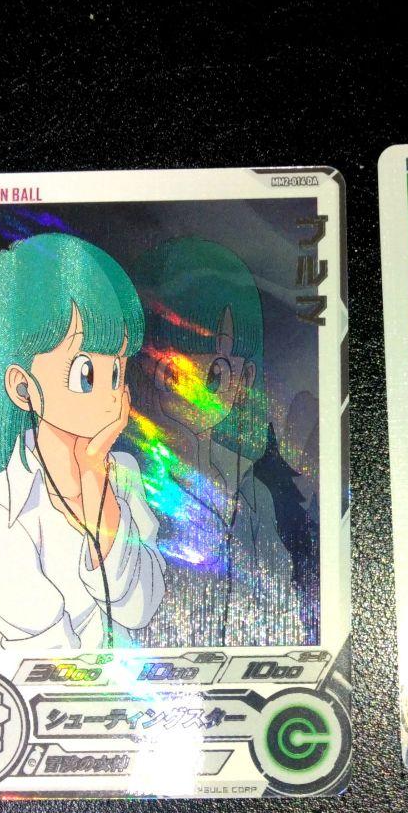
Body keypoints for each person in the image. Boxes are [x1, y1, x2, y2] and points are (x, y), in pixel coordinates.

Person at [0, 233, 165, 650]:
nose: (111, 395)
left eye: (117, 373)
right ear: (23, 387)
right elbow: (43, 650)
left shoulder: (122, 475)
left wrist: (95, 479)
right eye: (86, 374)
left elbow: (141, 607)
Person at [128, 237, 309, 647]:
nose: (178, 380)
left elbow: (280, 600)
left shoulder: (252, 496)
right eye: (163, 362)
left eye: (215, 372)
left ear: (243, 381)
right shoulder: (123, 481)